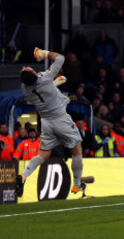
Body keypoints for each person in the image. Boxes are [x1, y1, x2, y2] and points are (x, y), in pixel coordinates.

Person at [16, 48, 85, 197]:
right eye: (26, 68)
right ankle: (77, 184)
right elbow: (60, 58)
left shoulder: (25, 89)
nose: (24, 67)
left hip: (46, 122)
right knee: (77, 150)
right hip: (61, 119)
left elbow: (43, 89)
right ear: (34, 73)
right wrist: (44, 53)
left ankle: (23, 175)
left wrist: (53, 84)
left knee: (43, 154)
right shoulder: (45, 78)